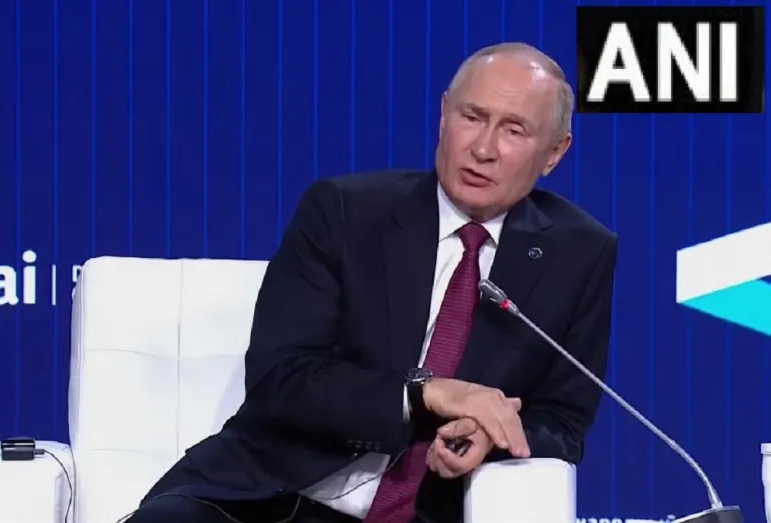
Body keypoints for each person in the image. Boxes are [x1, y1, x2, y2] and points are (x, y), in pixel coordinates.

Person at [125, 42, 617, 523]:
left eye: (513, 130)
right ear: (443, 114)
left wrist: (490, 435)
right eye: (472, 117)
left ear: (554, 152)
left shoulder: (578, 253)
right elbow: (280, 380)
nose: (483, 148)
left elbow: (562, 421)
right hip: (269, 499)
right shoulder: (345, 212)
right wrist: (423, 394)